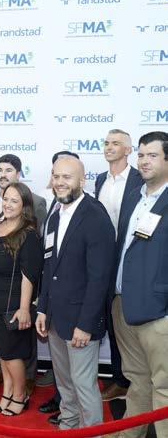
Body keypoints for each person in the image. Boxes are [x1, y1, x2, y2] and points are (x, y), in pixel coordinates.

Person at [36, 156, 115, 430]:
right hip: (55, 318)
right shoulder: (54, 215)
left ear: (82, 180)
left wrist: (86, 325)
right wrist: (42, 308)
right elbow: (49, 266)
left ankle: (92, 432)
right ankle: (68, 425)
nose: (60, 182)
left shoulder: (95, 216)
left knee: (83, 384)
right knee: (64, 382)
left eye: (67, 177)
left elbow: (100, 278)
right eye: (56, 176)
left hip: (81, 321)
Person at [111, 131, 168, 438]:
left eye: (153, 155)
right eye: (141, 155)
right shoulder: (134, 194)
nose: (144, 161)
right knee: (138, 381)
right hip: (123, 305)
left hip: (158, 312)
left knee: (165, 387)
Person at [0, 154, 46, 393]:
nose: (8, 204)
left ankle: (19, 396)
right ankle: (7, 392)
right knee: (2, 350)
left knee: (12, 353)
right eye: (6, 200)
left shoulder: (28, 233)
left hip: (13, 303)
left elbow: (29, 274)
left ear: (24, 205)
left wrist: (24, 308)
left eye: (14, 201)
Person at [95, 129, 143, 403]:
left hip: (127, 261)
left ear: (128, 150)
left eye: (115, 143)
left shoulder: (139, 179)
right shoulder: (100, 179)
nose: (109, 147)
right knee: (110, 322)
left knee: (125, 323)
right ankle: (119, 380)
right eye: (106, 143)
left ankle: (129, 381)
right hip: (101, 260)